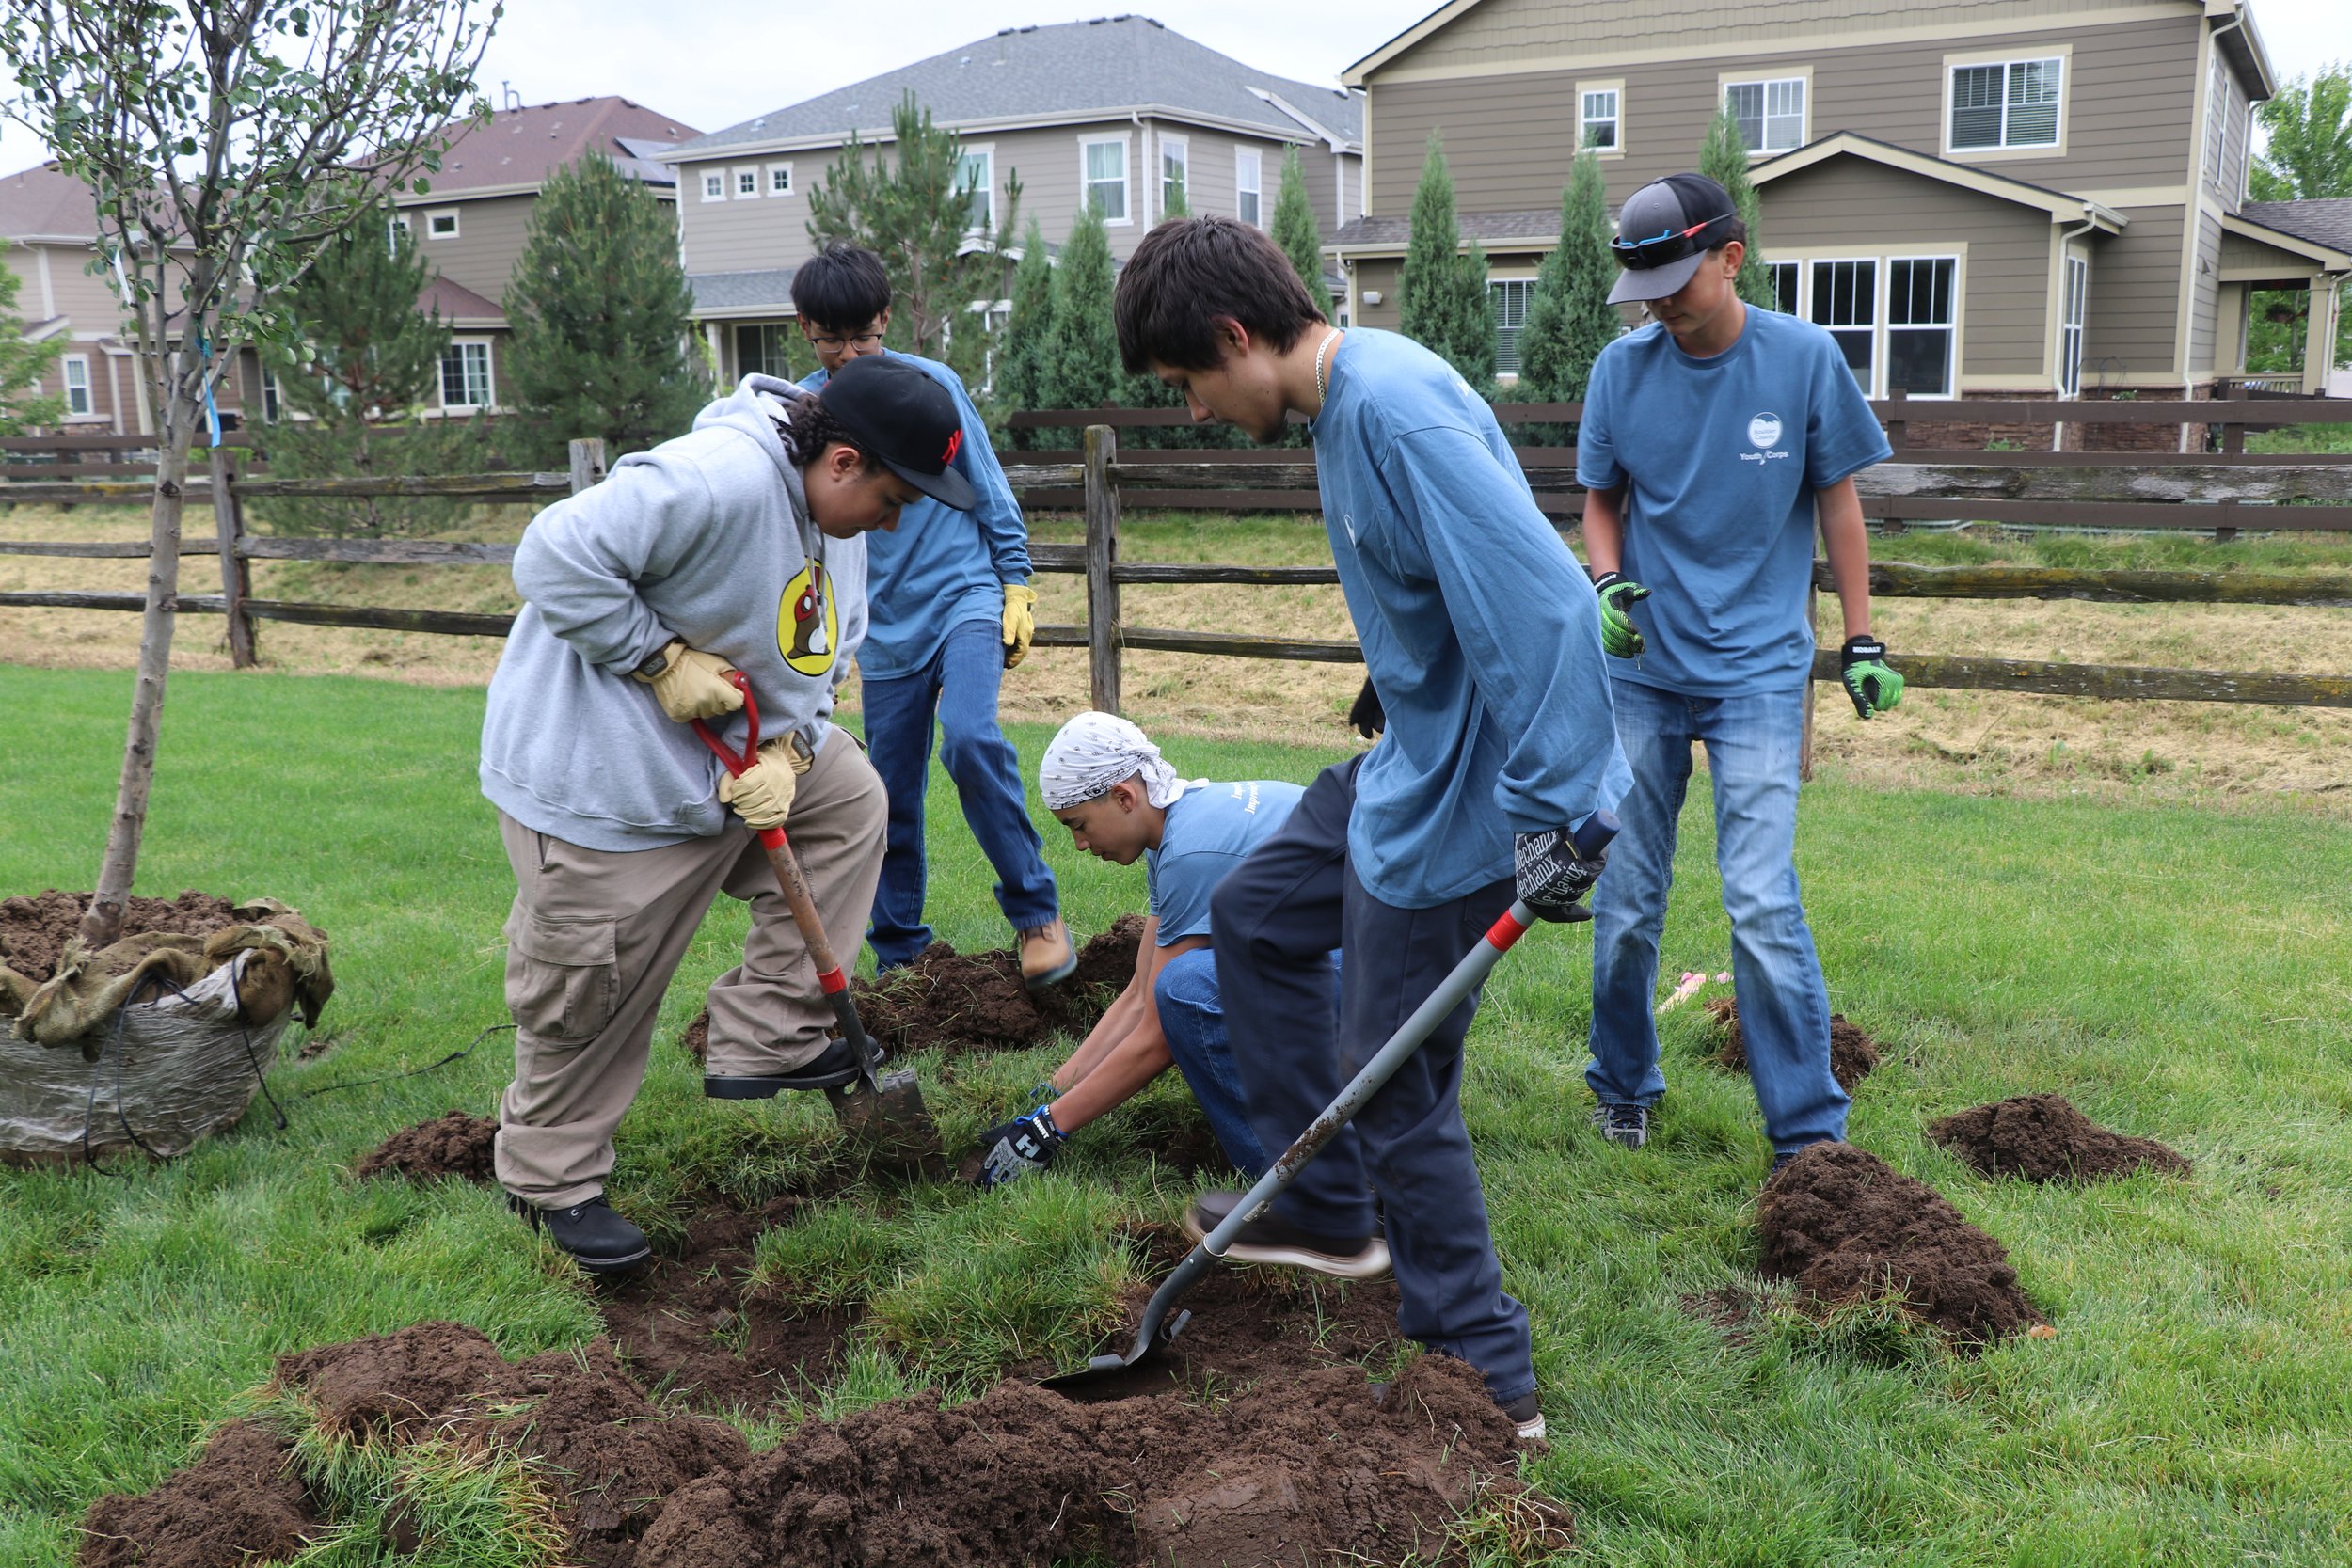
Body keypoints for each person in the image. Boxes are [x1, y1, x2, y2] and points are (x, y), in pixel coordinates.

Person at [1112, 216, 1631, 1441]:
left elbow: (1554, 611)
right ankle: (1330, 1205)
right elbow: (1447, 574)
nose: (1193, 410)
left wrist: (1555, 815)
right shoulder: (1351, 402)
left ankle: (1487, 1379)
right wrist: (1393, 675)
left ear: (1236, 336)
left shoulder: (1393, 410)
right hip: (1409, 759)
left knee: (1392, 1079)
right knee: (1253, 915)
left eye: (1187, 382)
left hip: (1468, 801)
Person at [478, 355, 976, 1273]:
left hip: (733, 767)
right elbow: (550, 554)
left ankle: (770, 1034)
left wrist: (792, 752)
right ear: (843, 462)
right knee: (589, 988)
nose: (894, 520)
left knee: (849, 798)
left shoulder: (840, 527)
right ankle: (548, 1179)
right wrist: (657, 658)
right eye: (893, 498)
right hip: (607, 783)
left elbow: (829, 658)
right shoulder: (717, 478)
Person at [1576, 173, 1899, 1172]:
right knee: (1627, 900)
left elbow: (1838, 503)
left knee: (1759, 898)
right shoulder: (1620, 371)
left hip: (1759, 671)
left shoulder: (1802, 359)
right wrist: (1605, 582)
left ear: (1730, 257)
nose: (1660, 305)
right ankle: (1622, 1084)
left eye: (1675, 281)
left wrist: (1861, 638)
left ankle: (1806, 1130)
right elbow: (1601, 499)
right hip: (1645, 672)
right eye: (1643, 289)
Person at [790, 243, 1073, 989]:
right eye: (832, 339)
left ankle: (1037, 913)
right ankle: (900, 957)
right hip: (882, 628)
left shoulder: (930, 387)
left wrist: (1016, 583)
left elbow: (988, 488)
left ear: (886, 320)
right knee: (888, 796)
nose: (850, 354)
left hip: (963, 595)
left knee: (972, 737)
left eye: (864, 336)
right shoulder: (803, 413)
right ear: (805, 328)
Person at [973, 713, 1333, 1196]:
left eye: (1079, 825)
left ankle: (1288, 1182)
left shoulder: (1190, 853)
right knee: (1181, 984)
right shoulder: (1175, 832)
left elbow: (1160, 1031)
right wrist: (1049, 1096)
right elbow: (1139, 995)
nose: (1079, 844)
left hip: (1387, 979)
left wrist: (1047, 1129)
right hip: (1351, 958)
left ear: (1124, 796)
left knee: (1189, 993)